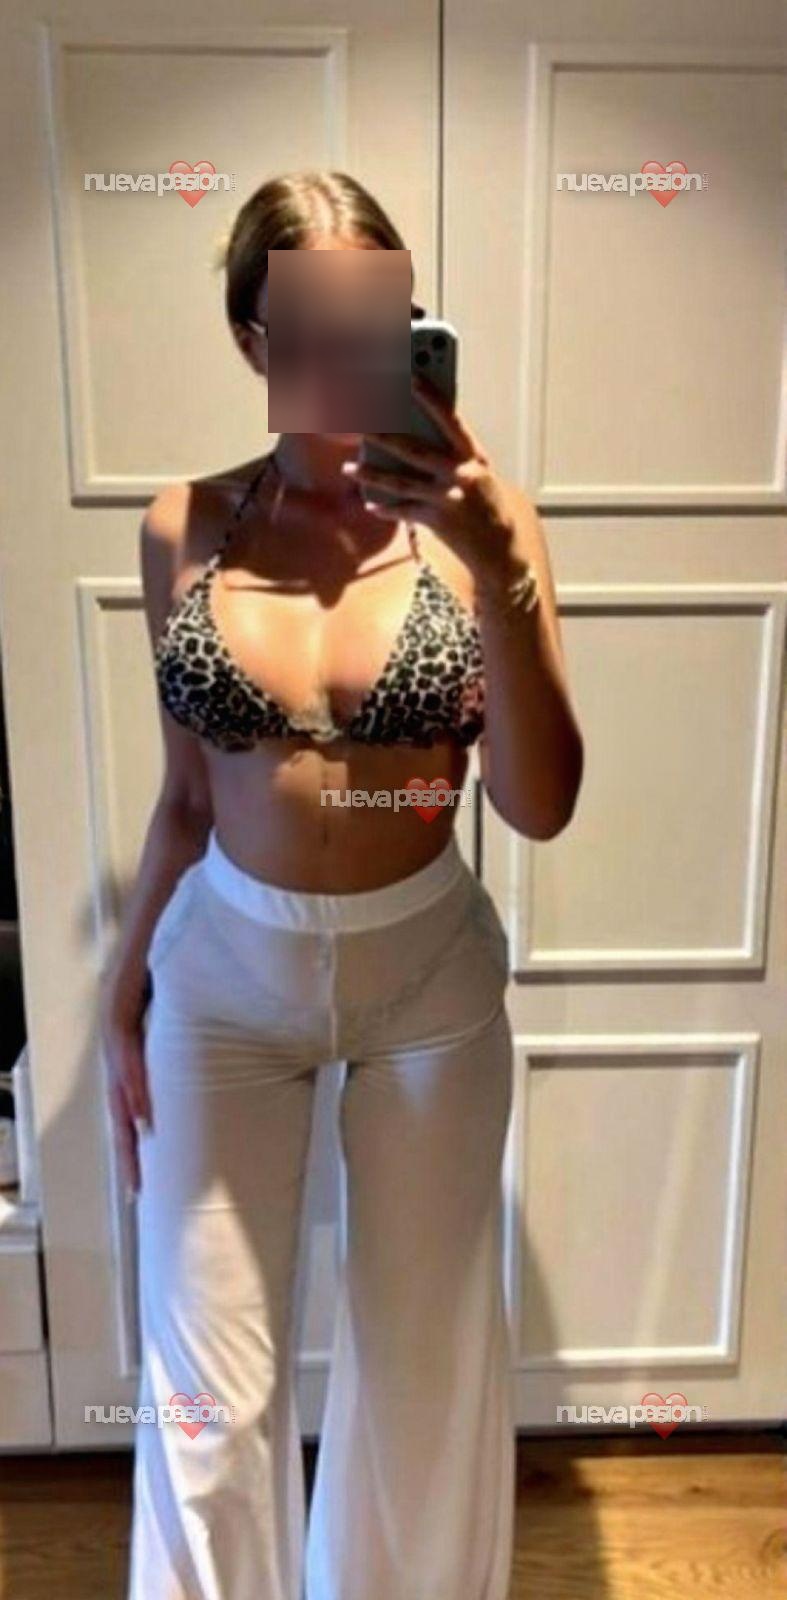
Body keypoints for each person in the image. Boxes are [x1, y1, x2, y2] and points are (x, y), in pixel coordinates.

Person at [100, 167, 583, 1600]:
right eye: (312, 328)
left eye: (380, 323)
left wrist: (503, 574)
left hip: (425, 979)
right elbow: (190, 795)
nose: (349, 360)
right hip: (223, 979)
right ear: (252, 337)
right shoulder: (183, 526)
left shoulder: (481, 525)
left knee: (423, 1373)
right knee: (205, 1397)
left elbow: (539, 804)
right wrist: (122, 986)